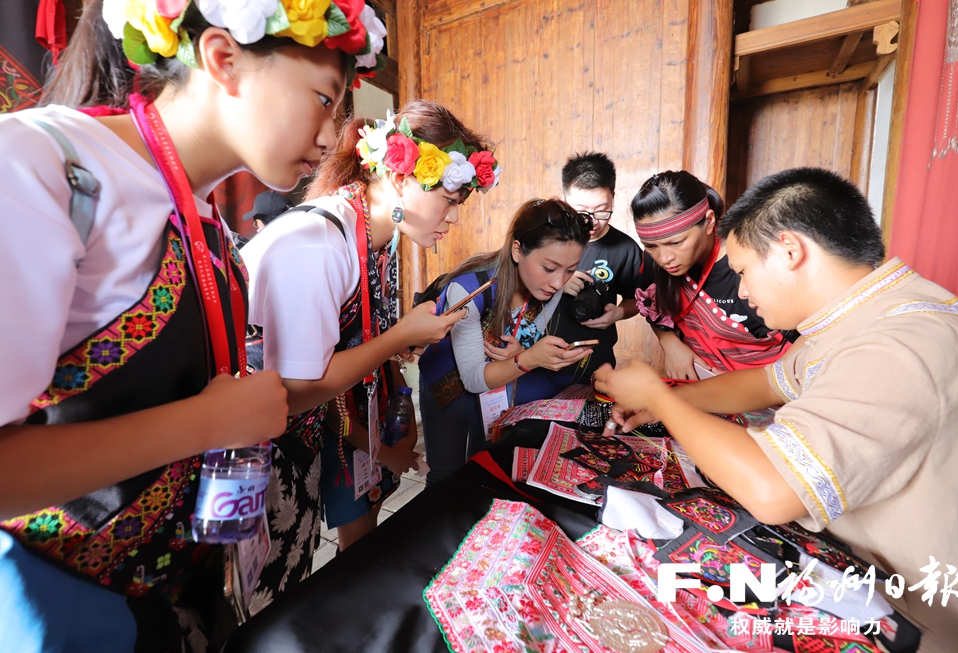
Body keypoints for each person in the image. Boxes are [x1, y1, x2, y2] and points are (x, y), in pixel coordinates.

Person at [0, 0, 385, 649]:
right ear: (223, 59)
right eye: (324, 98)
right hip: (64, 607)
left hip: (174, 598)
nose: (331, 136)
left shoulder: (200, 215)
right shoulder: (41, 166)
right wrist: (212, 422)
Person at [595, 167, 958, 653]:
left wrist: (661, 398)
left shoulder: (900, 345)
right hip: (868, 577)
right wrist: (664, 405)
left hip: (927, 620)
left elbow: (775, 490)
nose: (743, 292)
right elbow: (766, 382)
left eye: (742, 272)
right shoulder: (861, 315)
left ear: (790, 251)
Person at [241, 101, 496, 559]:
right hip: (257, 447)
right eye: (450, 201)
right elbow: (296, 389)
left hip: (312, 430)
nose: (454, 217)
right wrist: (398, 337)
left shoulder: (373, 240)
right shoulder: (318, 242)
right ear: (400, 178)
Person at [418, 198, 593, 482]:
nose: (559, 283)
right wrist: (530, 358)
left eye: (570, 270)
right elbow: (474, 378)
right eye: (549, 268)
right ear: (517, 250)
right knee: (446, 475)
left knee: (486, 462)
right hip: (448, 384)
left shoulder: (552, 287)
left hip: (500, 377)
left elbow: (528, 336)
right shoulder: (469, 289)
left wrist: (525, 351)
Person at [631, 170, 794, 381]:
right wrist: (669, 343)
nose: (664, 258)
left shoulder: (747, 266)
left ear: (708, 221)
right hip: (704, 387)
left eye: (676, 242)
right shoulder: (655, 259)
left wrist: (767, 385)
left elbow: (803, 342)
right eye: (650, 245)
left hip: (769, 391)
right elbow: (653, 309)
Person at [546, 152, 651, 387]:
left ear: (613, 198)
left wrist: (618, 314)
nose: (592, 222)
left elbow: (638, 298)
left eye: (602, 211)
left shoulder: (624, 248)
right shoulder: (545, 239)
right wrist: (558, 282)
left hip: (596, 359)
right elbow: (516, 285)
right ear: (564, 200)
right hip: (542, 356)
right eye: (580, 211)